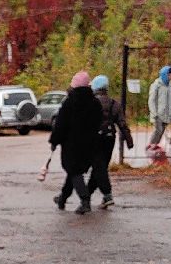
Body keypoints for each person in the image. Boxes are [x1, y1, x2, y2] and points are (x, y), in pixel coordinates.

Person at [50, 72, 103, 214]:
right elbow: (99, 121)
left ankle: (85, 200)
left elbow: (61, 124)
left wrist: (55, 140)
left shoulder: (70, 102)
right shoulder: (95, 103)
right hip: (89, 144)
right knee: (74, 171)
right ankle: (62, 198)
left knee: (74, 170)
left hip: (72, 144)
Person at [89, 74, 133, 208]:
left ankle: (107, 195)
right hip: (110, 139)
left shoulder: (90, 103)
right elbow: (122, 124)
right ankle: (86, 195)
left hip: (95, 138)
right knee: (100, 167)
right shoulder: (115, 103)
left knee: (99, 167)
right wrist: (129, 140)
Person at [147, 65, 171, 146]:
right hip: (157, 114)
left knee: (162, 131)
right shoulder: (156, 85)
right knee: (158, 130)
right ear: (165, 74)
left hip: (166, 114)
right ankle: (151, 145)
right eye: (169, 75)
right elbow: (151, 100)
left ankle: (155, 146)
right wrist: (154, 113)